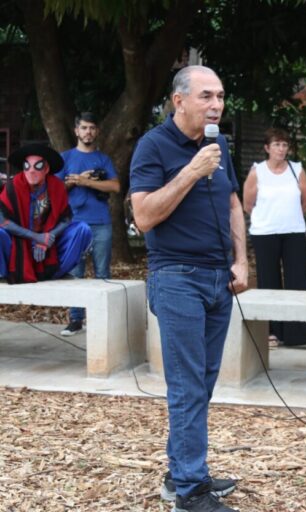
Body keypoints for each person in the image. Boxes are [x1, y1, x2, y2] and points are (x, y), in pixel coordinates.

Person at [130, 65, 246, 512]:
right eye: (206, 96)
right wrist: (191, 172)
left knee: (202, 383)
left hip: (219, 279)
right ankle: (191, 492)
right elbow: (143, 216)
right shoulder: (153, 146)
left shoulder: (220, 145)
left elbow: (232, 202)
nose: (217, 105)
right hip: (177, 277)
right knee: (186, 386)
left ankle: (181, 472)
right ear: (179, 100)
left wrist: (241, 260)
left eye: (220, 96)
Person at [242, 128, 306, 352]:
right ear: (267, 148)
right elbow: (248, 204)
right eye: (276, 144)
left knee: (299, 282)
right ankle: (271, 331)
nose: (281, 149)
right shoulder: (257, 171)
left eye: (284, 145)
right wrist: (269, 219)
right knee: (268, 282)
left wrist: (290, 218)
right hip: (264, 233)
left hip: (293, 232)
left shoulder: (297, 170)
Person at [57, 112, 120, 336]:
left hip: (101, 222)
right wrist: (74, 181)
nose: (88, 132)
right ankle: (75, 320)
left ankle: (102, 320)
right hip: (73, 223)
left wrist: (87, 182)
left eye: (92, 128)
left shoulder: (103, 159)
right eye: (84, 128)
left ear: (97, 131)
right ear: (76, 131)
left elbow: (115, 186)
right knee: (75, 273)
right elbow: (55, 191)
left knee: (103, 272)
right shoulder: (65, 158)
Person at [0, 144, 92, 284]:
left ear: (46, 169)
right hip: (18, 242)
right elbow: (2, 221)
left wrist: (48, 238)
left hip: (49, 244)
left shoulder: (57, 186)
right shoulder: (12, 186)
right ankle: (4, 273)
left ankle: (58, 272)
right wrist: (36, 237)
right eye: (27, 166)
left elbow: (66, 218)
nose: (31, 171)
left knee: (82, 229)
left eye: (38, 166)